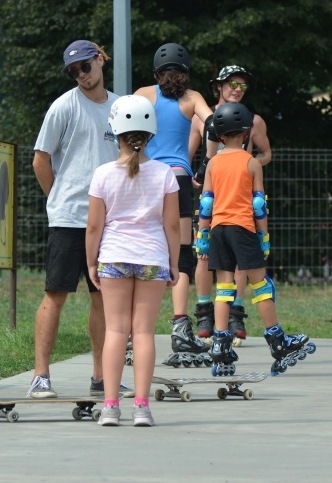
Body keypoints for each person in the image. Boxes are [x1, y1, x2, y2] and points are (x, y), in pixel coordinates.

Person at [30, 40, 133, 399]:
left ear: (100, 59)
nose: (82, 75)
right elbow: (40, 159)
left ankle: (101, 377)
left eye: (85, 66)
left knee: (103, 298)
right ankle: (40, 376)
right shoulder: (64, 106)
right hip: (69, 218)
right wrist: (57, 198)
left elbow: (129, 157)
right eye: (74, 72)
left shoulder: (120, 107)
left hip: (109, 221)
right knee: (55, 294)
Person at [196, 102, 315, 377]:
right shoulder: (251, 162)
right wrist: (263, 237)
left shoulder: (212, 163)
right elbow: (259, 205)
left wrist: (202, 237)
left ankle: (220, 344)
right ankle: (278, 342)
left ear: (219, 136)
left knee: (224, 288)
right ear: (246, 133)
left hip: (218, 230)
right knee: (261, 285)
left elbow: (206, 203)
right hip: (243, 228)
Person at [86, 95, 180, 427]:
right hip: (153, 258)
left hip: (114, 257)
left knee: (115, 331)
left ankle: (110, 407)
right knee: (143, 333)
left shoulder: (102, 174)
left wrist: (91, 262)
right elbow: (172, 225)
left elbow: (94, 226)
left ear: (115, 131)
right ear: (151, 132)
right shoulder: (165, 174)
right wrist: (174, 263)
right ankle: (142, 407)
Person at [134, 43, 214, 368]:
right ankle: (181, 329)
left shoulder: (143, 94)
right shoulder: (192, 98)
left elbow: (122, 126)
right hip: (178, 179)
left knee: (142, 250)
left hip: (148, 177)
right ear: (186, 72)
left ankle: (133, 332)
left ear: (156, 73)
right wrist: (206, 163)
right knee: (180, 256)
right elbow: (214, 123)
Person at [189, 65, 272, 346]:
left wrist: (245, 166)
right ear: (219, 87)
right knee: (203, 254)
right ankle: (204, 313)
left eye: (242, 85)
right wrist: (193, 175)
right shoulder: (203, 115)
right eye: (232, 84)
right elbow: (189, 154)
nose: (237, 89)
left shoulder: (253, 120)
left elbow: (267, 153)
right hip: (212, 191)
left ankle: (235, 314)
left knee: (239, 259)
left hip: (239, 195)